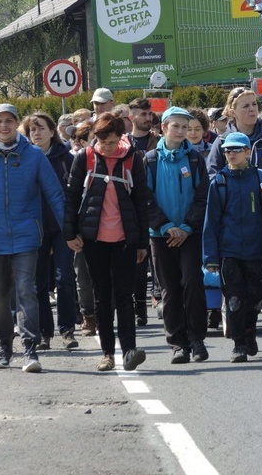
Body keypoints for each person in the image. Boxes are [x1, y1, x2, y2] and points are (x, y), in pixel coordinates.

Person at [0, 103, 65, 373]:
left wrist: (69, 229)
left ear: (17, 123)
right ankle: (4, 347)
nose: (4, 125)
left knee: (26, 291)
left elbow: (55, 193)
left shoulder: (33, 155)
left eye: (10, 120)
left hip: (26, 235)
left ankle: (30, 349)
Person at [65, 112, 149, 372]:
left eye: (112, 142)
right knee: (102, 297)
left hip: (124, 239)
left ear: (120, 138)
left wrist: (142, 242)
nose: (107, 147)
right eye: (102, 142)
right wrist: (70, 233)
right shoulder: (85, 158)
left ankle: (129, 351)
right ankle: (107, 354)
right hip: (94, 239)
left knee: (124, 296)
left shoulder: (133, 159)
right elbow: (71, 196)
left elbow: (141, 202)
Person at [202, 132, 262, 362]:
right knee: (234, 299)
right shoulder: (219, 182)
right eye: (227, 151)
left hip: (256, 249)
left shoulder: (261, 178)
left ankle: (249, 331)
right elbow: (210, 222)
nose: (231, 154)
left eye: (236, 150)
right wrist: (210, 256)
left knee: (256, 297)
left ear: (248, 152)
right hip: (229, 251)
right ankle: (239, 343)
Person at [206, 87, 262, 339]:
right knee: (238, 289)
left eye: (254, 105)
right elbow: (213, 178)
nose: (252, 110)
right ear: (232, 112)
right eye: (245, 106)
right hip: (234, 227)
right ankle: (244, 334)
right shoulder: (222, 143)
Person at [146, 107, 210, 364]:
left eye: (186, 126)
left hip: (189, 234)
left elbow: (202, 196)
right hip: (161, 236)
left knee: (193, 283)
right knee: (169, 289)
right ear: (163, 128)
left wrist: (185, 227)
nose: (182, 131)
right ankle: (177, 344)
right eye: (177, 126)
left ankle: (197, 340)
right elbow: (145, 198)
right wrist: (165, 226)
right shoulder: (149, 160)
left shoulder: (195, 159)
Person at [27, 112, 77, 351]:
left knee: (64, 278)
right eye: (32, 130)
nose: (36, 133)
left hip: (62, 228)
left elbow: (74, 194)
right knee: (38, 285)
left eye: (41, 128)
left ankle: (67, 329)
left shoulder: (66, 158)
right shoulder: (24, 158)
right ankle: (44, 332)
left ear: (51, 131)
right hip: (34, 228)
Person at [127, 97, 160, 325]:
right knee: (138, 262)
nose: (148, 118)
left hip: (157, 207)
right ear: (132, 117)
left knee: (157, 261)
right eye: (143, 114)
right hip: (132, 209)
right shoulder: (122, 144)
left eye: (150, 114)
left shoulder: (159, 142)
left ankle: (160, 298)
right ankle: (139, 307)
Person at [67, 121, 97, 336]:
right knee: (84, 277)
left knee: (110, 277)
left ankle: (105, 313)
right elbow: (71, 198)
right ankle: (88, 316)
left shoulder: (120, 159)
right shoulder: (79, 161)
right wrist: (71, 231)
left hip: (109, 227)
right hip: (83, 228)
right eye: (95, 138)